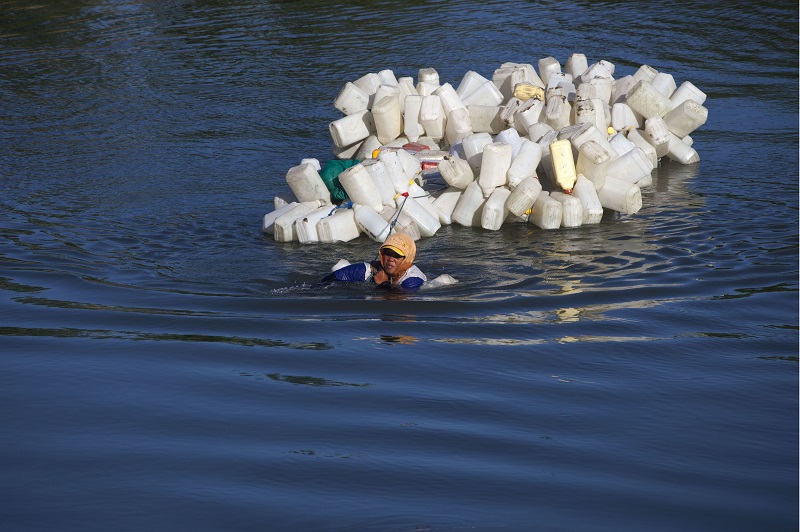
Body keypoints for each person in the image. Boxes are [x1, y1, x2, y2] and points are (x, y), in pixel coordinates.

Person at [323, 233, 426, 291]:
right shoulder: (368, 270)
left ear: (407, 259)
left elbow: (399, 300)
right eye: (387, 253)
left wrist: (383, 283)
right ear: (381, 254)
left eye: (397, 255)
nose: (390, 259)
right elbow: (331, 279)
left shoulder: (413, 279)